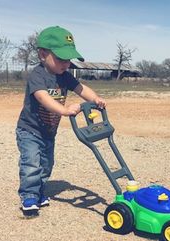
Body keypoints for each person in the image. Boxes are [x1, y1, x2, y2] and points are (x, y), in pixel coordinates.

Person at [16, 26, 106, 217]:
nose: (66, 64)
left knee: (47, 164)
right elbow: (42, 97)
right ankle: (29, 195)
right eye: (60, 59)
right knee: (32, 162)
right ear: (42, 54)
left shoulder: (65, 76)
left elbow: (81, 88)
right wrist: (64, 111)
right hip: (29, 130)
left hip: (49, 131)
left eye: (68, 60)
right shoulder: (37, 75)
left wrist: (95, 99)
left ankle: (39, 190)